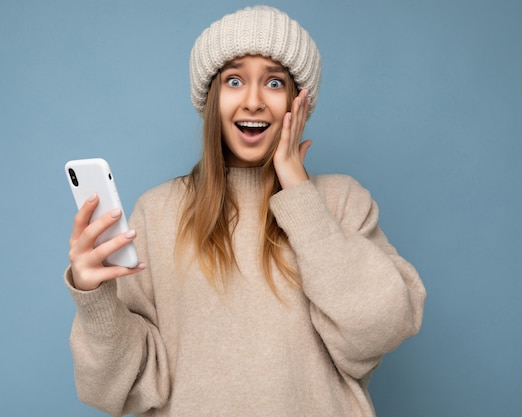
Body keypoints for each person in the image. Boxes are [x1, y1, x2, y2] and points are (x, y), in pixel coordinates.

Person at [65, 5, 426, 417]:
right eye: (234, 80)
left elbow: (379, 330)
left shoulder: (341, 200)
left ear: (298, 102)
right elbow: (123, 386)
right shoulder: (159, 211)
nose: (253, 101)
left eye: (274, 82)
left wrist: (298, 190)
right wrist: (94, 299)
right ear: (212, 99)